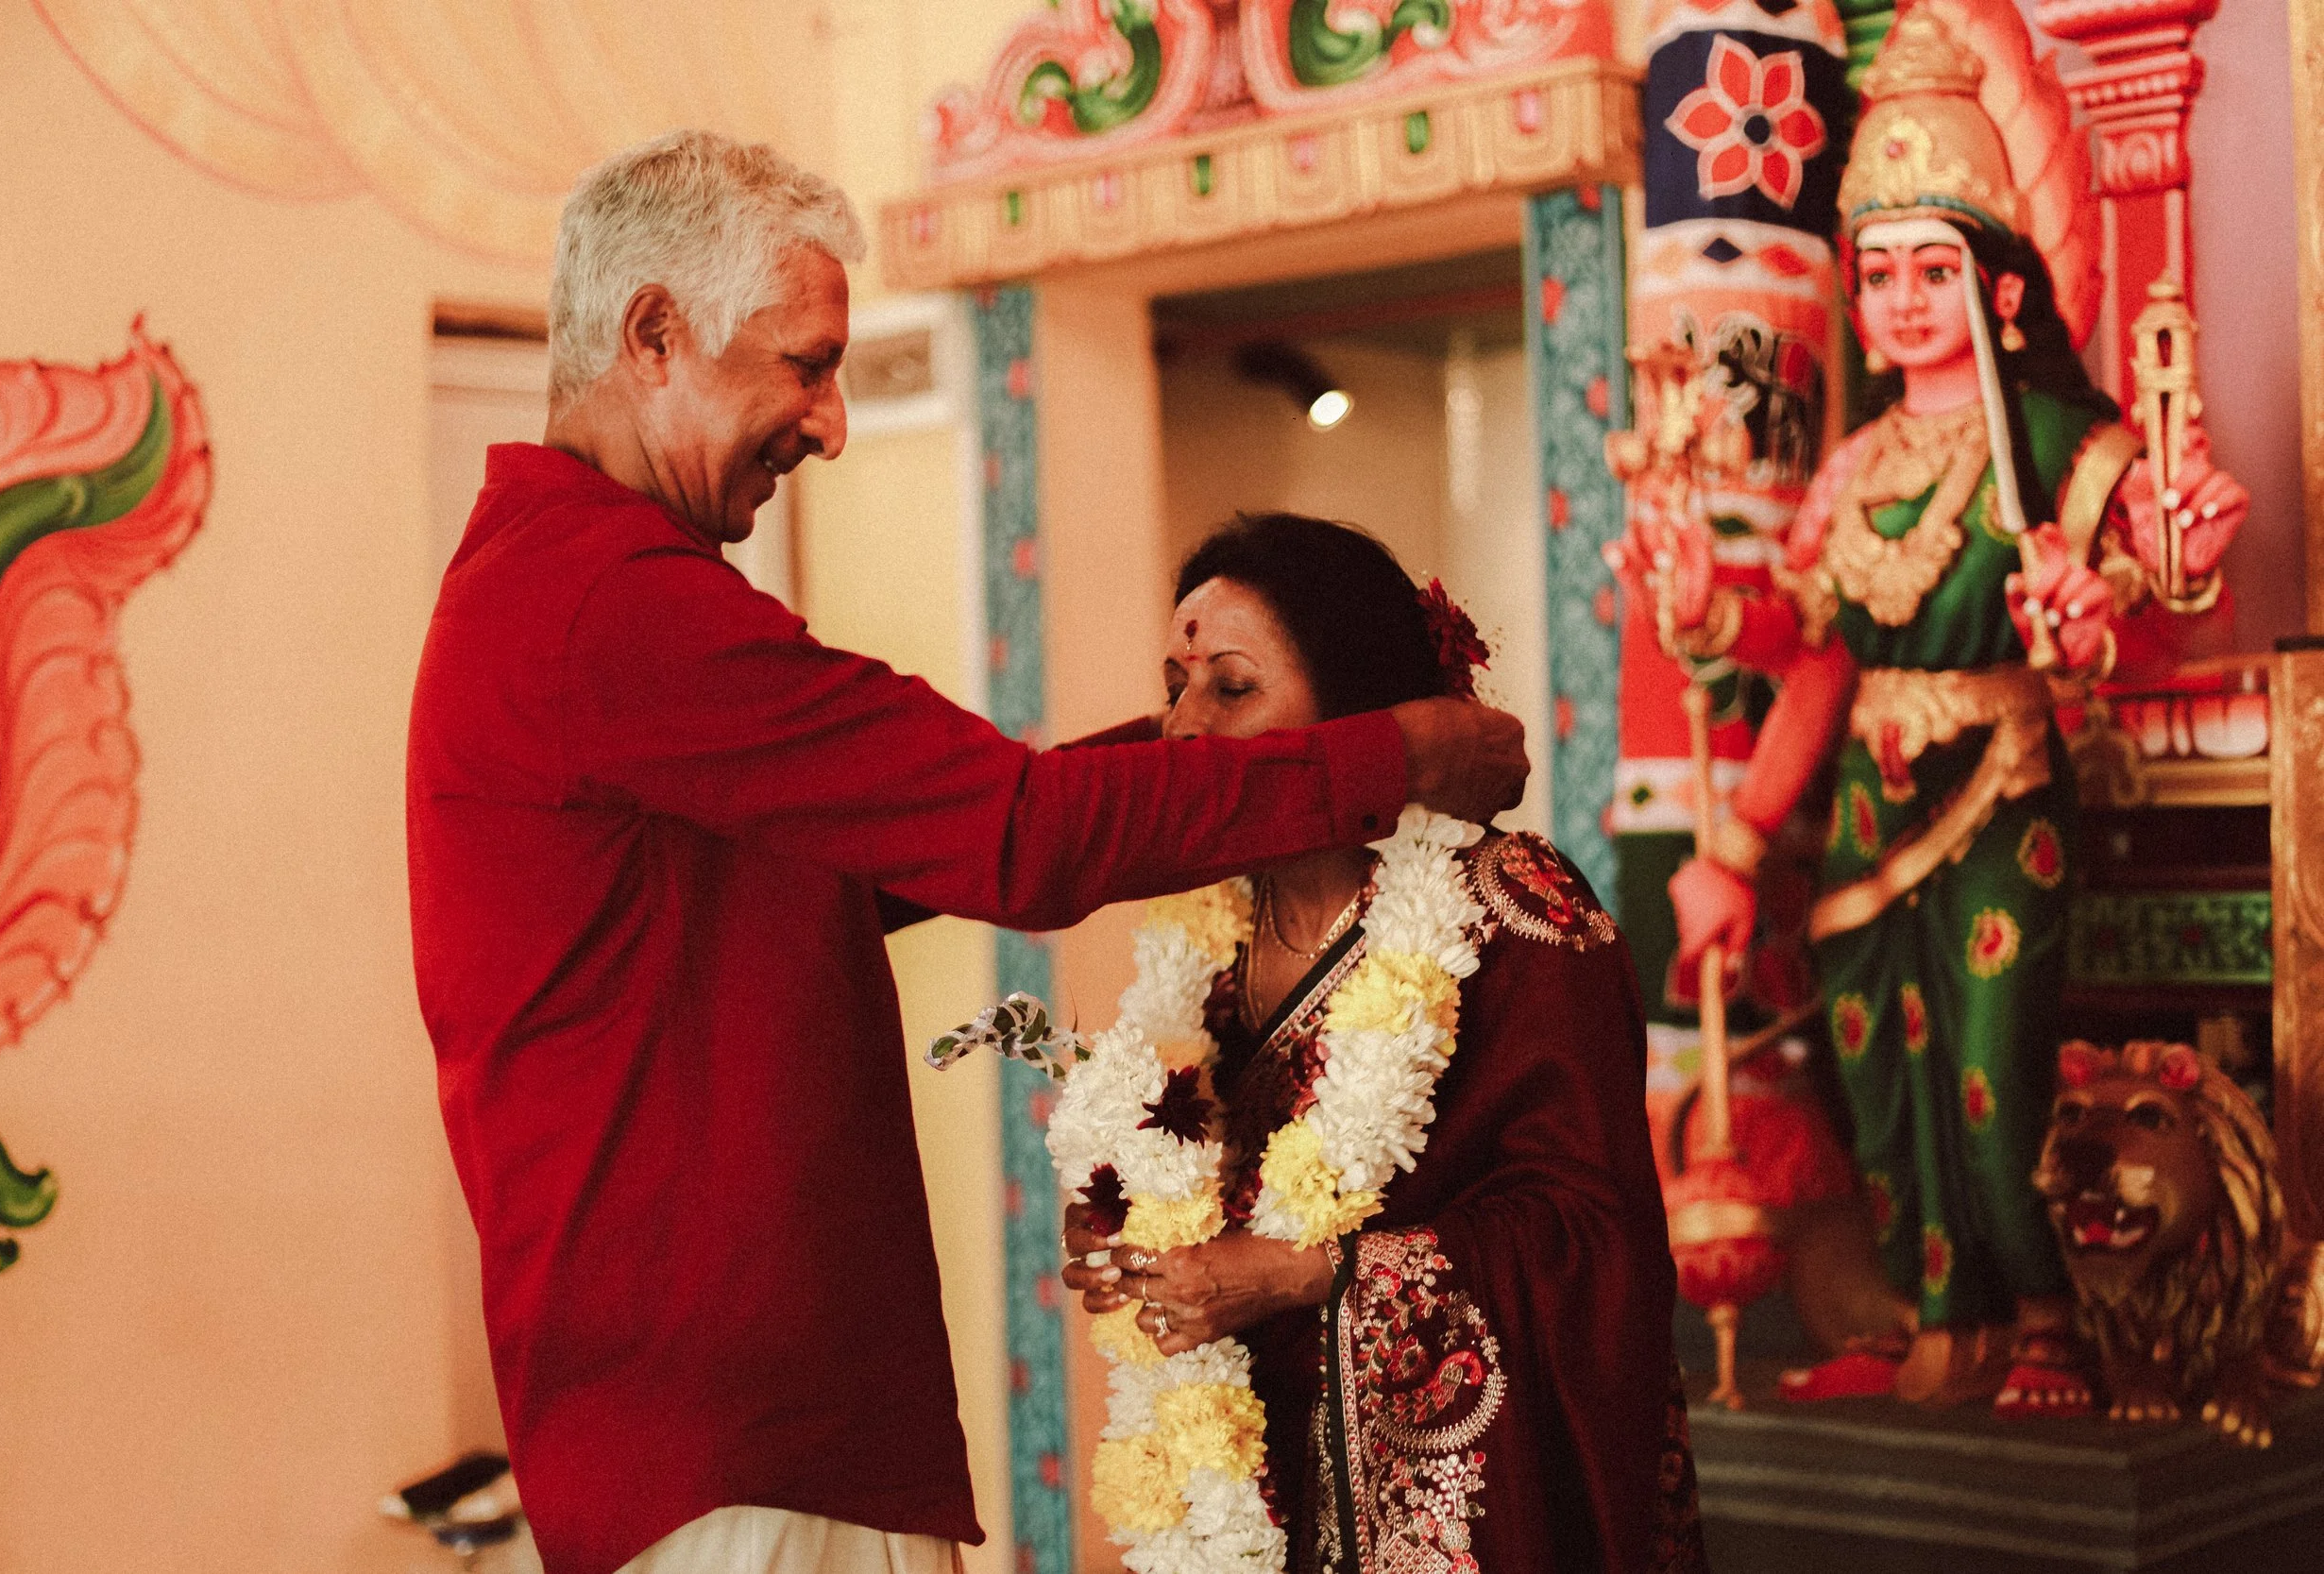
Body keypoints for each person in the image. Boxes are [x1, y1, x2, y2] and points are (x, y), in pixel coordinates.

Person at [405, 134, 1530, 1574]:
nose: (829, 425)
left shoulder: (564, 583)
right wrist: (1394, 759)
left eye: (1232, 683)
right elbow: (1017, 836)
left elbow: (915, 844)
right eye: (806, 366)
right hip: (730, 1437)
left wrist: (1194, 744)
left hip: (741, 1422)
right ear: (655, 335)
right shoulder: (604, 600)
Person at [1637, 5, 2248, 1413]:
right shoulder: (1854, 465)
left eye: (1935, 269)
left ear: (2002, 287)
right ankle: (1936, 1312)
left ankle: (2043, 1319)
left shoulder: (2064, 444)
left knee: (1989, 1065)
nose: (1905, 301)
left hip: (1999, 786)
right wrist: (1715, 630)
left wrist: (2120, 603)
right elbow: (1814, 657)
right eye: (1880, 273)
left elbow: (2139, 617)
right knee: (1873, 1067)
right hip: (1868, 804)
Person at [1060, 514, 1705, 1573]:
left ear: (1362, 710)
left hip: (1456, 1508)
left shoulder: (1510, 907)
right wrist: (1137, 1229)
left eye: (1232, 686)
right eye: (1175, 687)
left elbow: (1594, 1239)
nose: (1179, 728)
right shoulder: (1210, 940)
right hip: (1257, 1488)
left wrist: (1306, 1274)